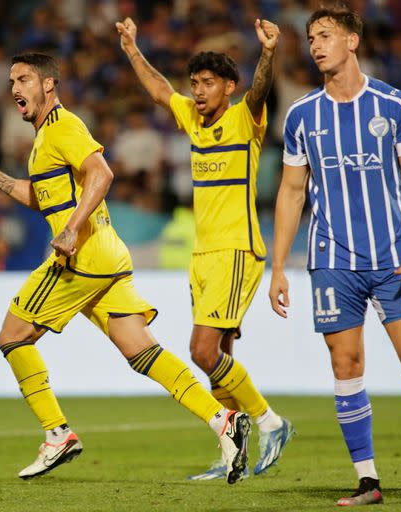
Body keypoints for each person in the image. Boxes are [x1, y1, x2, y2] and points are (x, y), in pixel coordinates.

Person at [0, 52, 251, 483]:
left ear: (48, 85)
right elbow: (43, 197)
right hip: (107, 255)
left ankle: (56, 432)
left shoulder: (64, 126)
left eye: (23, 79)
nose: (14, 89)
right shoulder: (45, 136)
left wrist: (69, 232)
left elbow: (102, 173)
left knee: (12, 336)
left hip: (80, 257)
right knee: (143, 352)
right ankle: (222, 422)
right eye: (11, 82)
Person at [269, 6, 401, 505]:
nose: (316, 45)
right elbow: (292, 192)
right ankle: (367, 479)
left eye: (326, 35)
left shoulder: (395, 105)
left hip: (393, 258)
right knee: (346, 364)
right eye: (311, 37)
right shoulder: (301, 114)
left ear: (353, 41)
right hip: (332, 260)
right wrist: (277, 267)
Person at [117, 17, 293, 480]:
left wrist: (269, 53)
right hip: (203, 256)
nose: (197, 91)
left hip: (237, 251)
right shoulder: (193, 120)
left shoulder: (245, 118)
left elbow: (259, 91)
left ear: (228, 88)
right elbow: (158, 90)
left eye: (208, 84)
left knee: (201, 350)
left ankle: (271, 423)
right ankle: (231, 451)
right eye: (194, 83)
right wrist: (133, 48)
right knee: (221, 360)